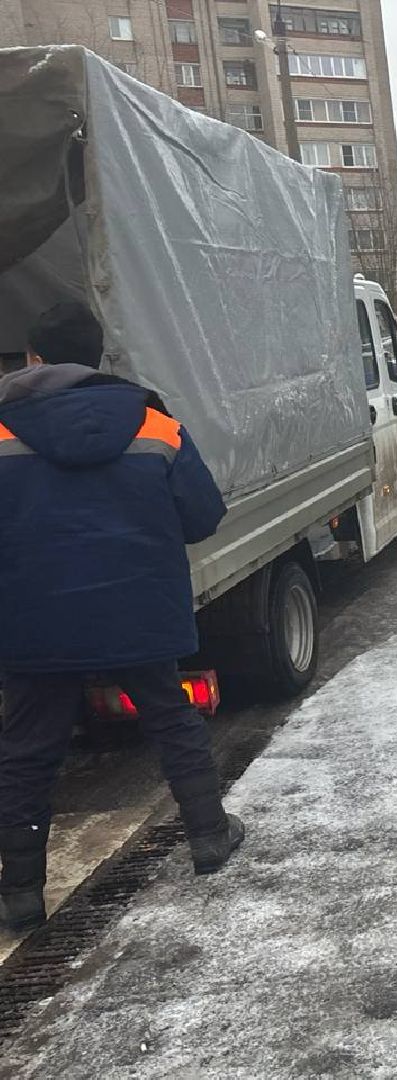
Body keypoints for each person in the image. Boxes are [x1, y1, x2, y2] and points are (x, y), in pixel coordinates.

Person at [0, 301, 242, 932]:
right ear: (97, 356)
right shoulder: (155, 424)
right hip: (139, 609)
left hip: (34, 619)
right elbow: (202, 517)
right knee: (170, 719)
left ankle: (21, 892)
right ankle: (209, 836)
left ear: (34, 358)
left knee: (28, 751)